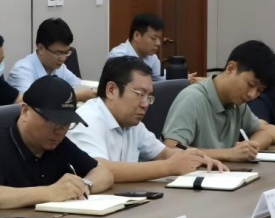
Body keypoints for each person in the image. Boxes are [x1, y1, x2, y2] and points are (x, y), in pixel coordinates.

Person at [69, 56, 224, 181]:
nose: (145, 104)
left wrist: (198, 159)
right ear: (111, 90)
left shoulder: (131, 122)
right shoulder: (87, 120)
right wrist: (169, 167)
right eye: (139, 94)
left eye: (148, 97)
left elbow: (163, 153)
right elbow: (99, 168)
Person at [0, 76, 114, 208]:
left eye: (66, 124)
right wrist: (49, 192)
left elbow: (103, 173)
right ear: (25, 111)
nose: (60, 132)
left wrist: (84, 185)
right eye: (53, 122)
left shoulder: (60, 144)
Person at [160, 40, 275, 164]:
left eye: (259, 90)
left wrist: (250, 147)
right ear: (231, 68)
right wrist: (228, 153)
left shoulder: (238, 103)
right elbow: (171, 148)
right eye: (251, 84)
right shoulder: (192, 99)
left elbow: (263, 133)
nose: (252, 95)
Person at [6, 16, 97, 99]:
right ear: (41, 48)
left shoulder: (60, 68)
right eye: (58, 53)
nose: (63, 58)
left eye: (66, 52)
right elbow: (32, 102)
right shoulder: (22, 70)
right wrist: (75, 96)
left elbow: (79, 86)